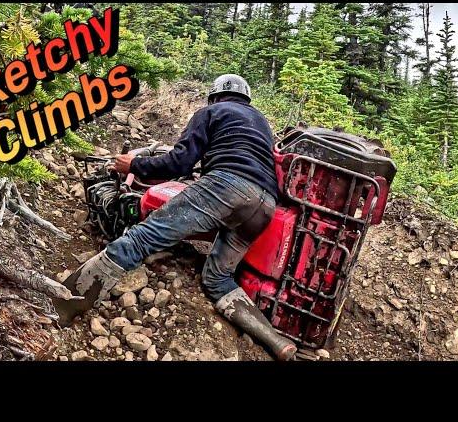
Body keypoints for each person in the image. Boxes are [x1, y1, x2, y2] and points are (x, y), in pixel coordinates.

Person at [54, 74, 297, 361]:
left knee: (141, 238)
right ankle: (277, 343)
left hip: (227, 186)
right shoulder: (262, 125)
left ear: (215, 96)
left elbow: (179, 163)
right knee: (218, 279)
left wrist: (135, 164)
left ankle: (63, 306)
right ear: (247, 99)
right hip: (264, 205)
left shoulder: (211, 112)